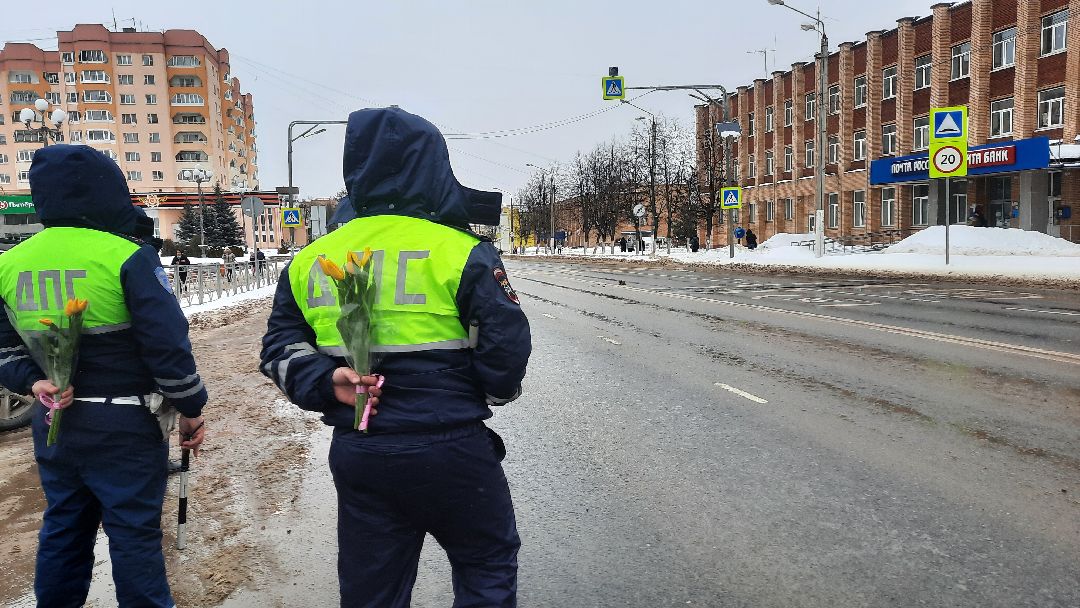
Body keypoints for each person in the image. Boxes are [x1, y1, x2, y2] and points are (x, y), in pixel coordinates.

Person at [261, 107, 531, 608]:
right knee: (485, 564)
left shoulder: (311, 259)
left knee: (373, 589)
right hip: (453, 448)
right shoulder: (460, 250)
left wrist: (326, 381)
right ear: (433, 167)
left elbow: (278, 349)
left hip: (363, 450)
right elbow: (506, 346)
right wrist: (493, 391)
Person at [0, 145, 208, 607]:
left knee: (63, 527)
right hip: (125, 425)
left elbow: (4, 348)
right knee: (133, 535)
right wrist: (191, 408)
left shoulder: (9, 264)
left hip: (54, 421)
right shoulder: (127, 256)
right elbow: (167, 347)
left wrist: (33, 381)